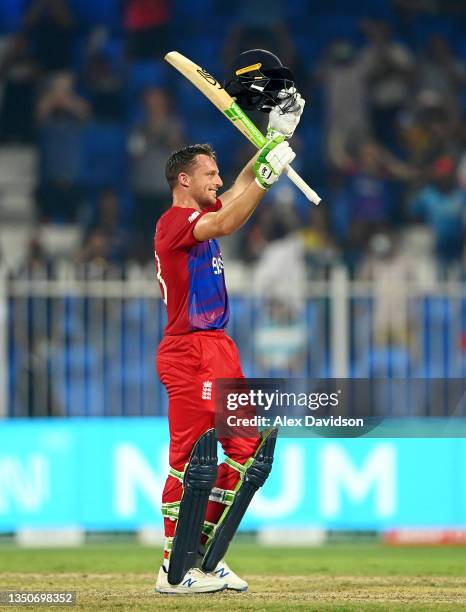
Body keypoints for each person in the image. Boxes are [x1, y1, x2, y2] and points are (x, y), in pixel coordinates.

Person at [154, 50, 304, 595]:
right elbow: (234, 215)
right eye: (209, 174)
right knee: (195, 457)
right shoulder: (175, 223)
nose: (219, 180)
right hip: (188, 349)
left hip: (219, 346)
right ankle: (175, 573)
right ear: (183, 180)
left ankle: (205, 558)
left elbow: (240, 191)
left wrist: (272, 145)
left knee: (247, 456)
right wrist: (267, 170)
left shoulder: (203, 212)